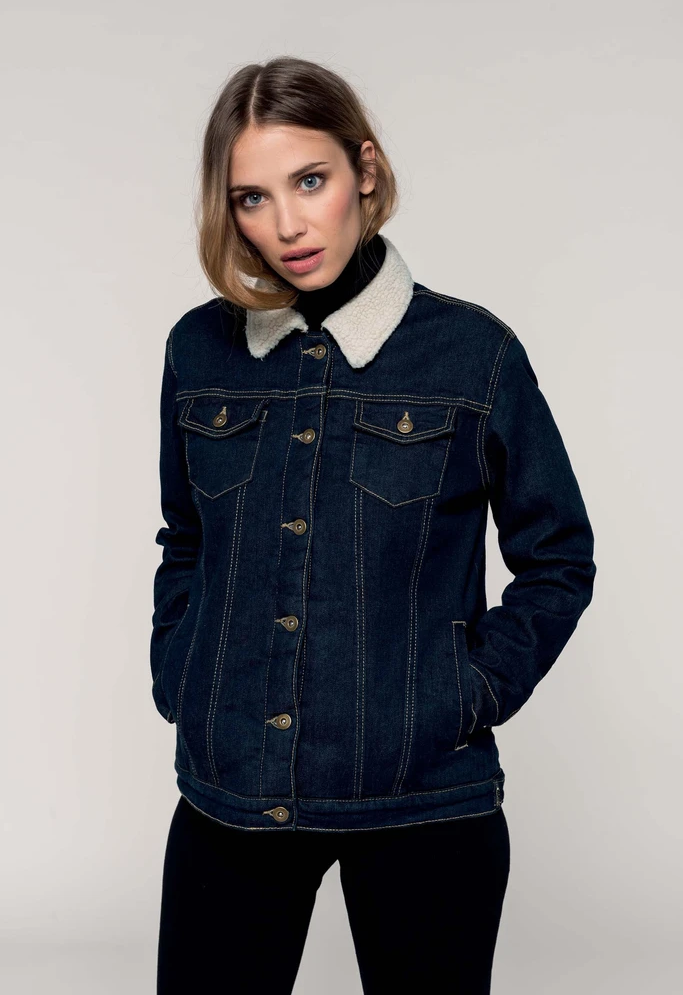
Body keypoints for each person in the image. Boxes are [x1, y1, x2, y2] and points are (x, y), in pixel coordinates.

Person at [151, 56, 596, 993]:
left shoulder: (471, 354)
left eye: (309, 180)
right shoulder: (198, 349)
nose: (286, 224)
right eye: (251, 197)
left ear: (364, 169)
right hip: (233, 791)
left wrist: (465, 693)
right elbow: (185, 537)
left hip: (424, 798)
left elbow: (557, 555)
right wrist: (181, 670)